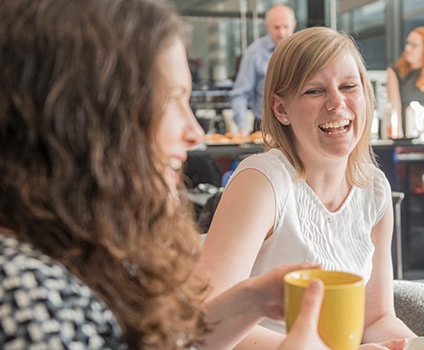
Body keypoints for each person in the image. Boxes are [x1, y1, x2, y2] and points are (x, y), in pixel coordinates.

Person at [0, 0, 330, 348]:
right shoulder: (26, 293)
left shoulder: (94, 247)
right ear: (87, 120)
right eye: (172, 99)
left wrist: (252, 300)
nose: (195, 132)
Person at [197, 26, 424, 349]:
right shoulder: (262, 181)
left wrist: (410, 344)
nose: (337, 103)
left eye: (348, 86)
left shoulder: (376, 191)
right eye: (314, 91)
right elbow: (207, 322)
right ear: (281, 109)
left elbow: (375, 319)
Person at [228, 4, 296, 136]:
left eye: (285, 27)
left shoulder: (303, 50)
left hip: (300, 123)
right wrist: (243, 127)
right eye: (276, 27)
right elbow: (240, 93)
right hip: (265, 127)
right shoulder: (254, 52)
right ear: (267, 26)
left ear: (293, 25)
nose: (281, 32)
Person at [385, 26, 424, 131]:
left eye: (414, 45)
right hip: (408, 136)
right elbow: (395, 110)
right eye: (408, 43)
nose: (407, 49)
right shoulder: (395, 72)